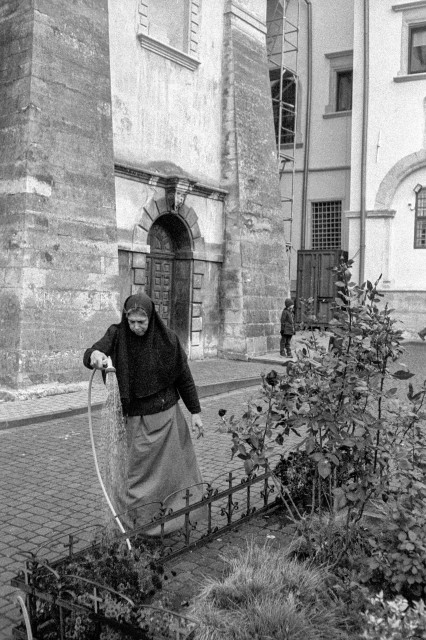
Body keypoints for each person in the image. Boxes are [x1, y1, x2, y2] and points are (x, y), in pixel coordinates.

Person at [83, 292, 204, 535]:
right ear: (125, 319)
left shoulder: (168, 340)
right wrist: (94, 356)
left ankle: (170, 520)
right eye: (132, 321)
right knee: (131, 476)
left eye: (142, 322)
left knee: (170, 475)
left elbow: (184, 378)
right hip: (131, 420)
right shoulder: (117, 335)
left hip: (165, 420)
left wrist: (195, 412)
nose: (136, 327)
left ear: (151, 318)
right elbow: (94, 352)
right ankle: (133, 525)